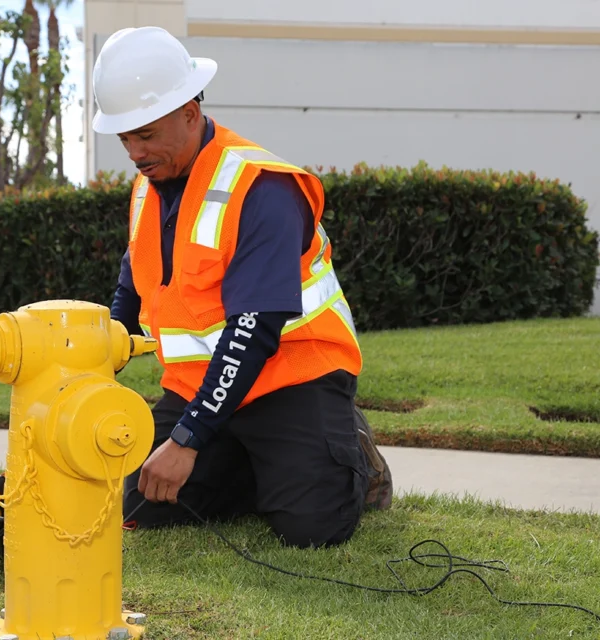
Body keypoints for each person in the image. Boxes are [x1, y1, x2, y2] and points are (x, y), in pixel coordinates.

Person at [93, 26, 392, 549]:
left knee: (310, 529)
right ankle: (258, 464)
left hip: (291, 376)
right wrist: (100, 358)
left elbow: (254, 330)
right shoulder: (150, 185)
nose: (134, 152)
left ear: (190, 112)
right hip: (199, 386)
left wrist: (187, 439)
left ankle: (353, 455)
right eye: (124, 138)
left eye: (145, 134)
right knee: (141, 506)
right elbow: (132, 286)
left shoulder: (262, 188)